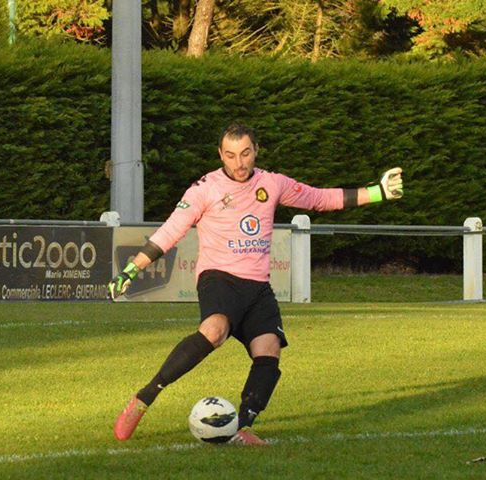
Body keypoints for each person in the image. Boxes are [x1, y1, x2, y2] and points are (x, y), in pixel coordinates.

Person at [109, 123, 404, 445]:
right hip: (219, 278)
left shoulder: (272, 184)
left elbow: (319, 198)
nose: (239, 163)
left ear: (256, 150)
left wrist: (378, 192)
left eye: (245, 153)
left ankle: (243, 428)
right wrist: (131, 270)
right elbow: (171, 230)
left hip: (258, 286)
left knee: (269, 350)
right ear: (220, 154)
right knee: (214, 330)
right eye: (231, 155)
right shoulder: (204, 188)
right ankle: (144, 398)